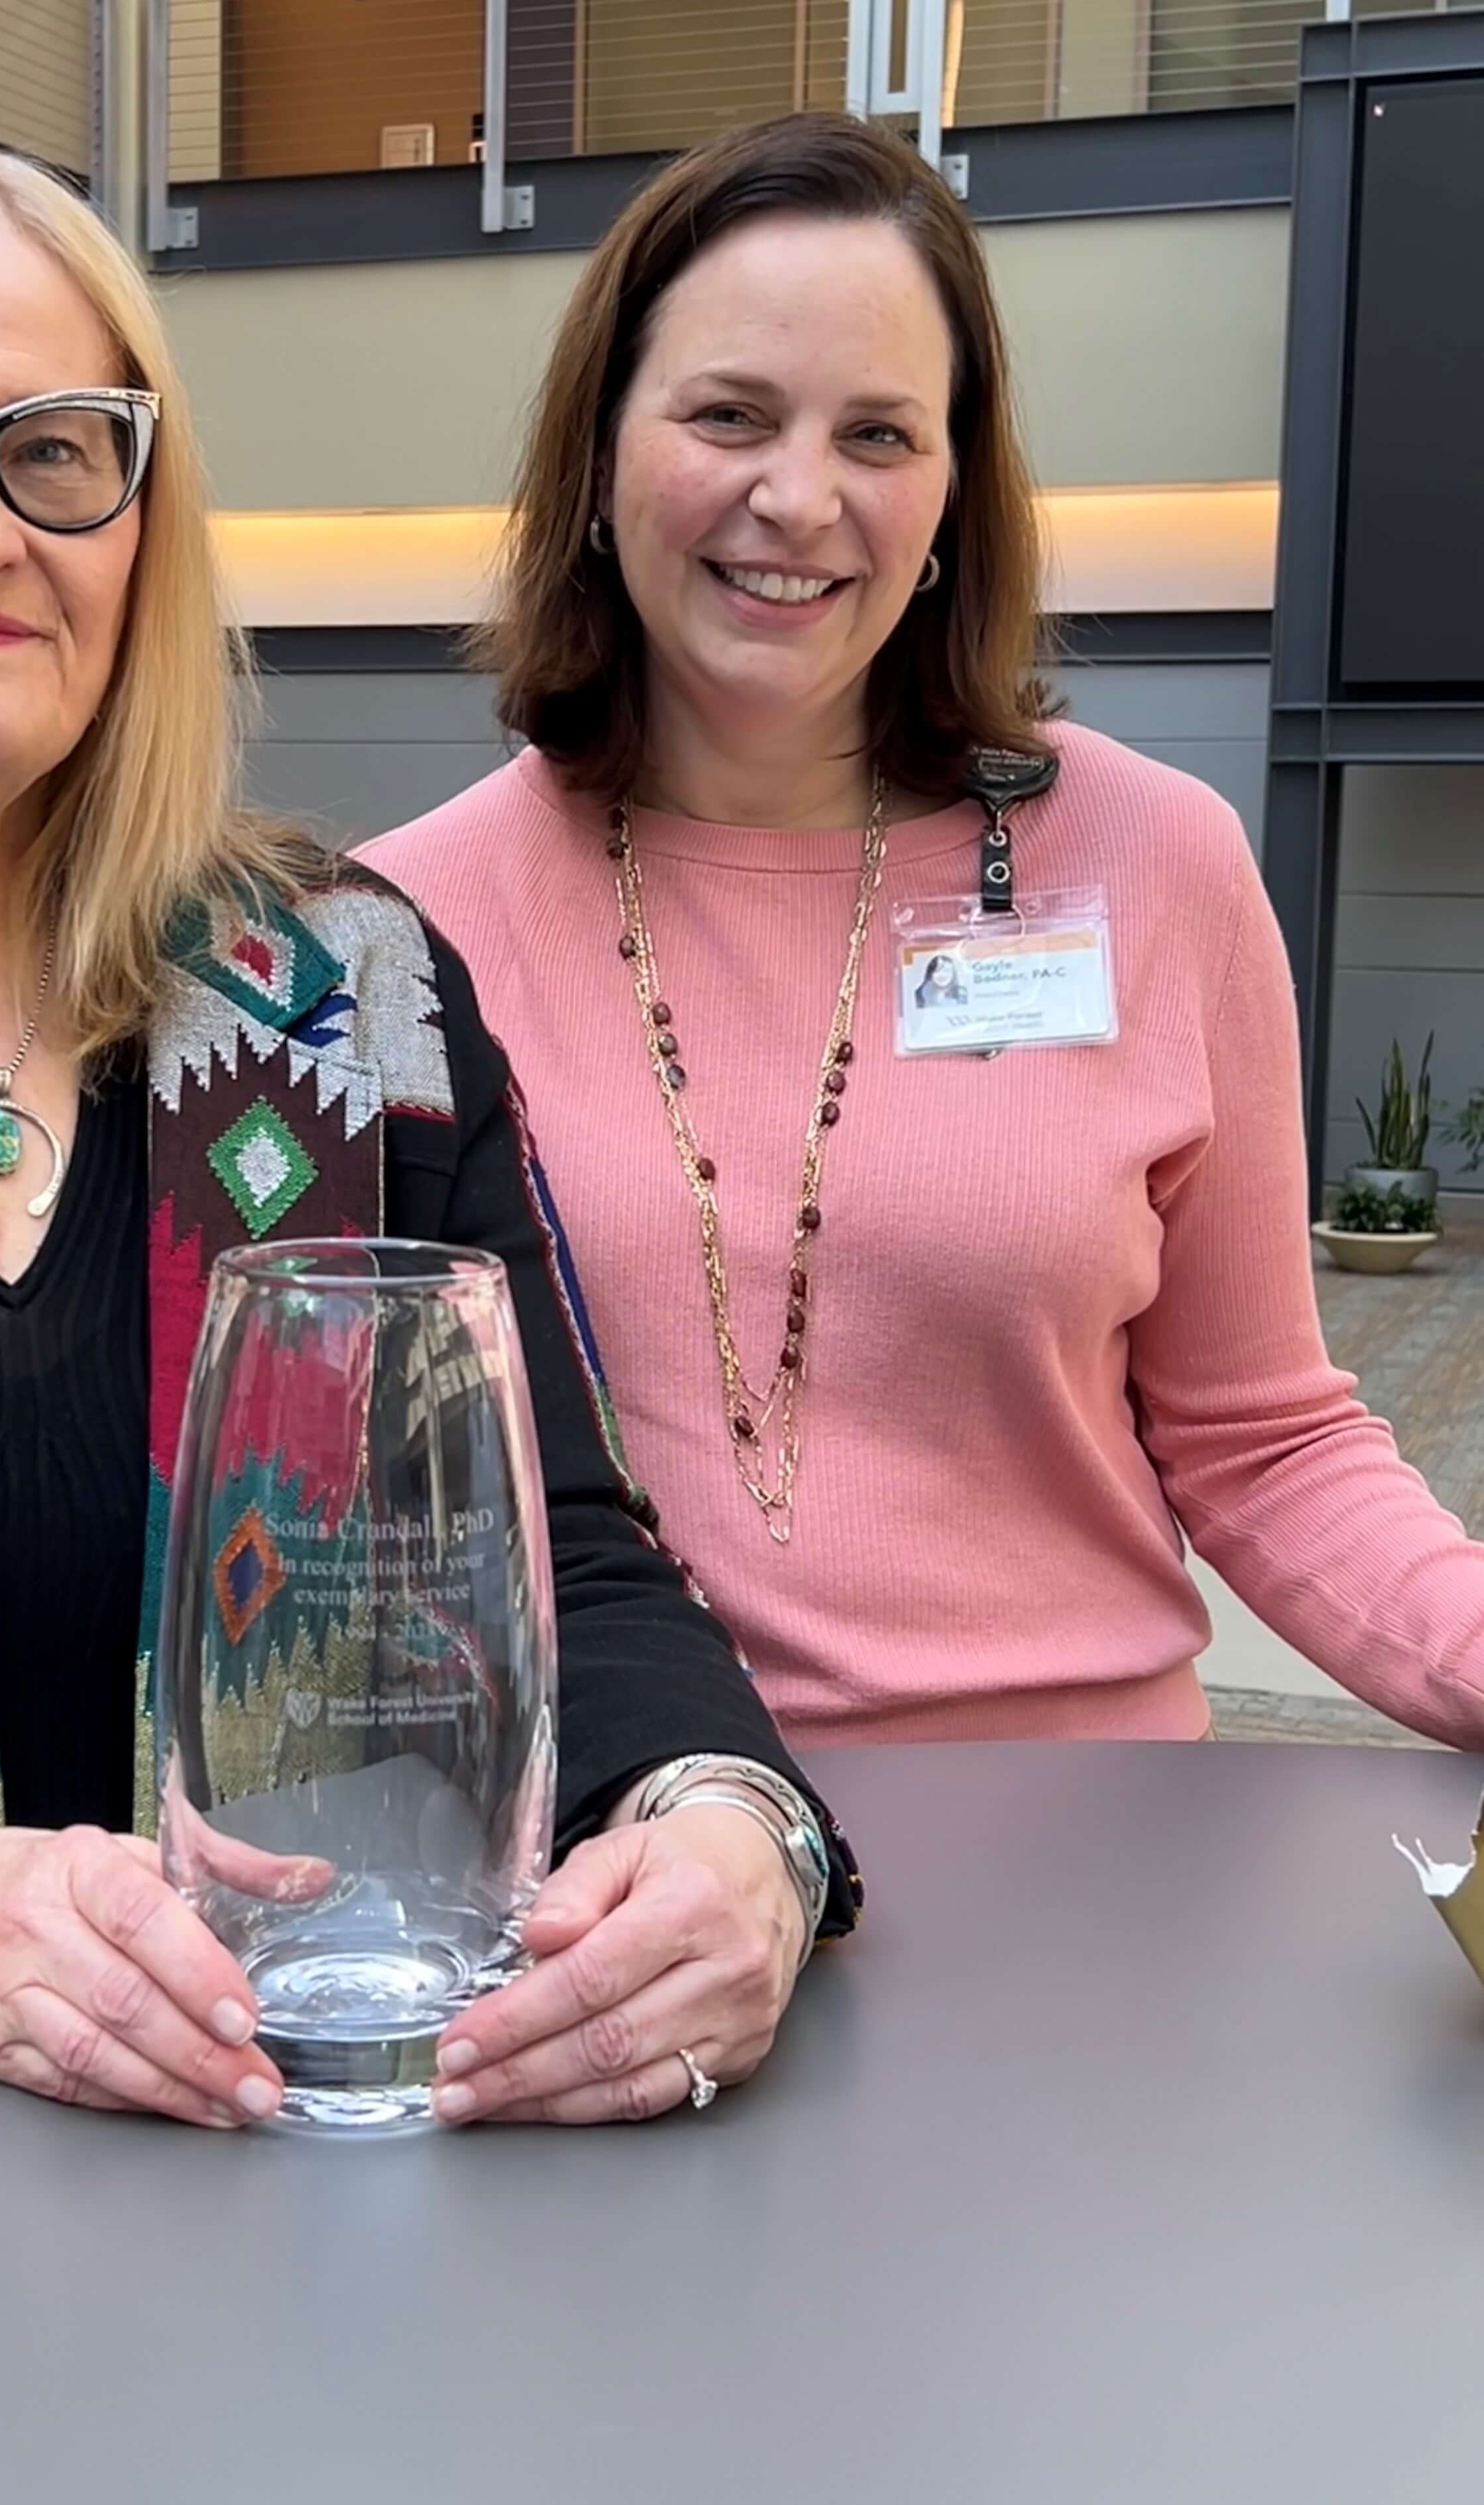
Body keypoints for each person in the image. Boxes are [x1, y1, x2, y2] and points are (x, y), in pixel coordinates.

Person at [0, 138, 859, 2332]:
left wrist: (727, 1831)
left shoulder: (341, 987)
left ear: (142, 520)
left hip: (280, 2255)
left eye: (57, 454)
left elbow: (566, 1542)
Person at [363, 111, 1484, 1752]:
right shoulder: (401, 932)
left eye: (880, 435)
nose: (798, 497)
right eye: (729, 414)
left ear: (955, 489)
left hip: (1095, 1846)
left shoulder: (1158, 862)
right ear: (601, 458)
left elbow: (1265, 1437)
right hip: (627, 1853)